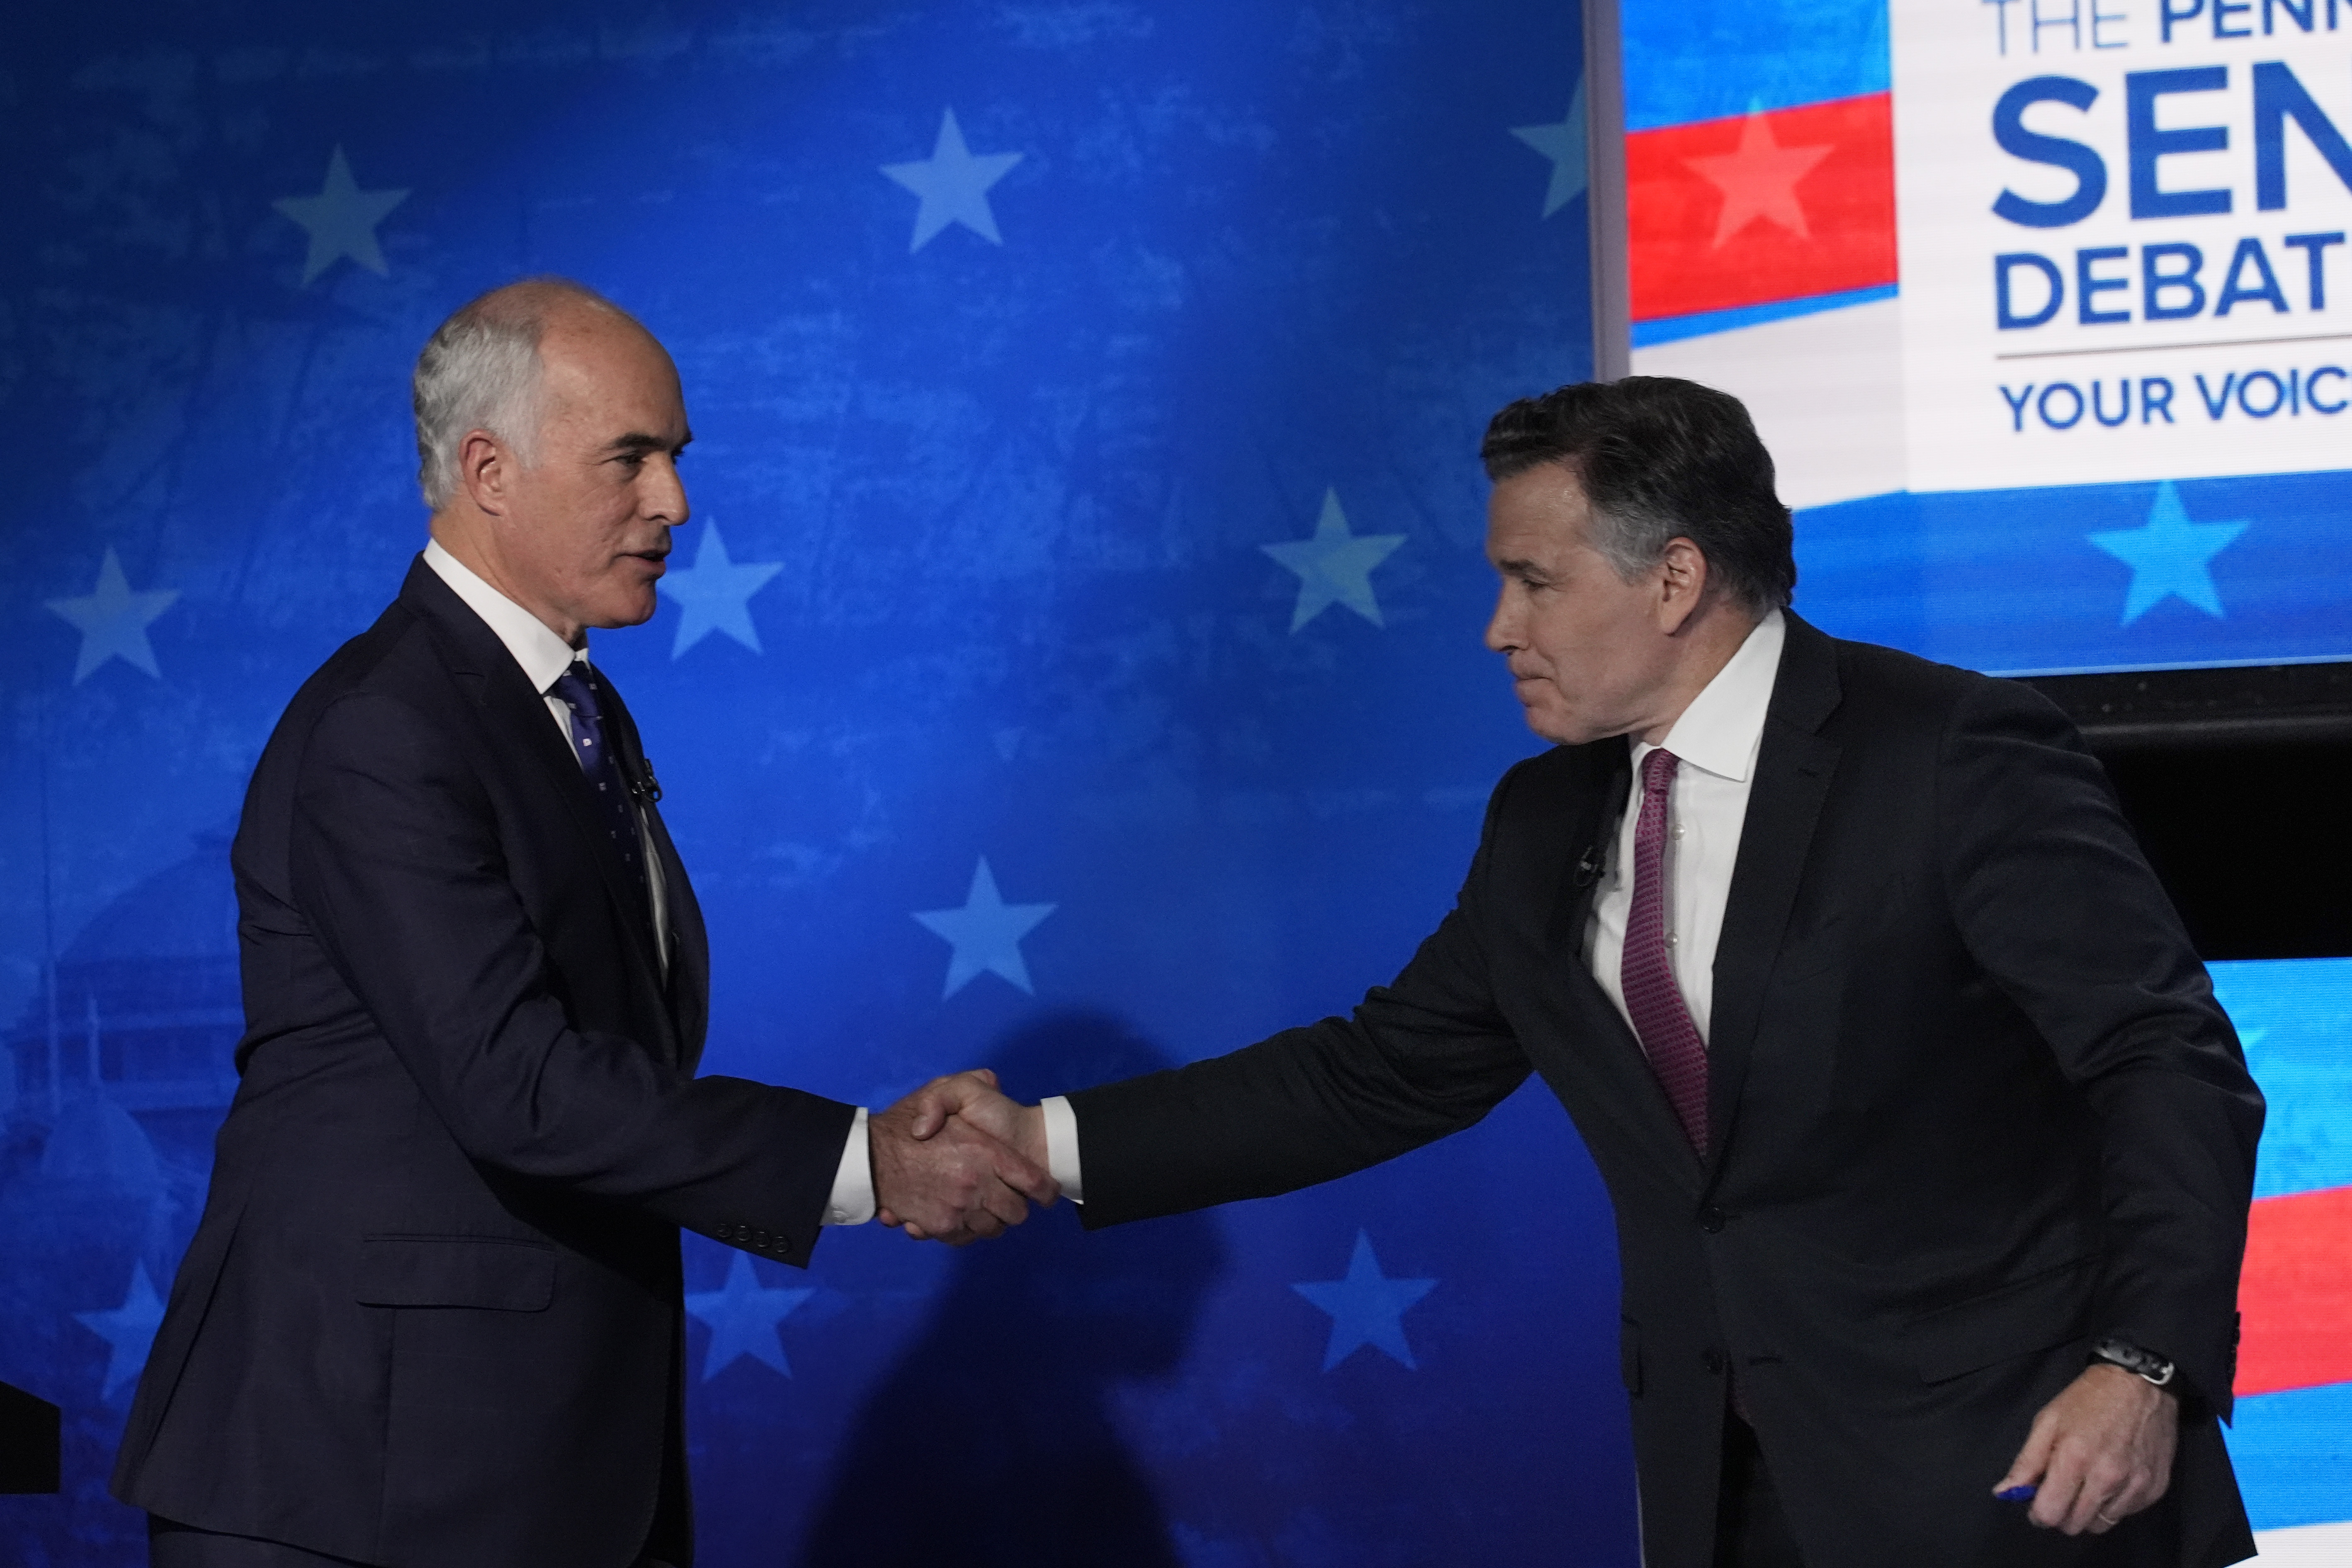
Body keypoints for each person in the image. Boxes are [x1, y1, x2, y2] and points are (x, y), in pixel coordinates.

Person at [906, 378, 2265, 1568]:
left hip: (2022, 1473)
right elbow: (1376, 1075)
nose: (1499, 628)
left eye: (1534, 581)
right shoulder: (1544, 816)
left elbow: (2167, 1064)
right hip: (1725, 1484)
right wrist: (1044, 1141)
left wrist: (2144, 1365)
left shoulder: (1953, 752)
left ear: (1674, 579)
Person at [110, 278, 1055, 1568]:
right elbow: (520, 1083)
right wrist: (866, 1163)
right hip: (364, 1486)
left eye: (675, 460)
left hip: (539, 1463)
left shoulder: (569, 710)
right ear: (488, 470)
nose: (674, 504)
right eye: (633, 458)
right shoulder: (387, 727)